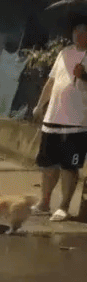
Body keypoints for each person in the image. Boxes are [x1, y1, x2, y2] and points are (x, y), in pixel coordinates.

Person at [32, 22, 87, 222]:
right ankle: (44, 203)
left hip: (77, 123)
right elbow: (51, 81)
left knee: (69, 167)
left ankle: (63, 206)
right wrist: (40, 105)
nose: (78, 34)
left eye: (83, 32)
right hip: (53, 118)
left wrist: (85, 76)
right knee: (48, 164)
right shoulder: (64, 53)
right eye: (76, 31)